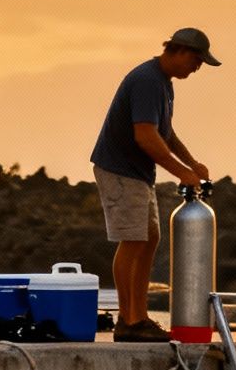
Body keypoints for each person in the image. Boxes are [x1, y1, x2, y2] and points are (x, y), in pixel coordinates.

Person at [88, 27, 217, 342]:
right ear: (180, 52)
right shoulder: (147, 80)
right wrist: (180, 172)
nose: (197, 68)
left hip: (137, 172)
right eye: (197, 61)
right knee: (132, 239)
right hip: (119, 169)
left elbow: (165, 133)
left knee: (150, 236)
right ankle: (128, 320)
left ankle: (139, 316)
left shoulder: (163, 84)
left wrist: (192, 164)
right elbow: (144, 135)